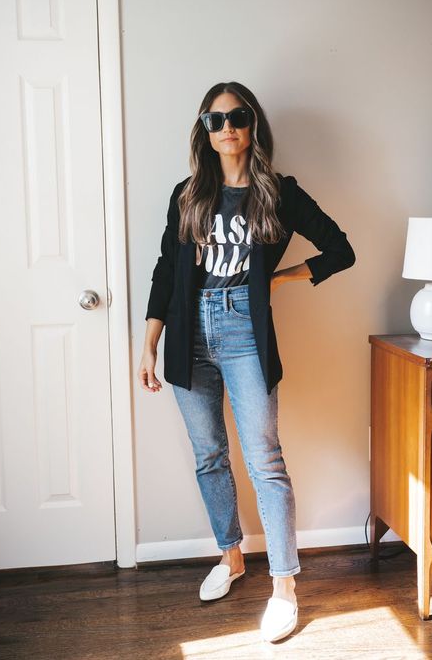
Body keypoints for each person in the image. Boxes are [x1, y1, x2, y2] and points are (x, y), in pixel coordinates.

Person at [138, 81, 356, 642]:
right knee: (210, 456)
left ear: (252, 124)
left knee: (265, 461)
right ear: (205, 131)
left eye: (237, 117)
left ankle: (284, 586)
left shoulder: (279, 193)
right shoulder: (186, 195)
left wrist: (277, 279)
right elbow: (167, 270)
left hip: (244, 331)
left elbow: (340, 250)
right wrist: (149, 341)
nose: (227, 127)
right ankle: (231, 557)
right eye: (216, 120)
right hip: (188, 330)